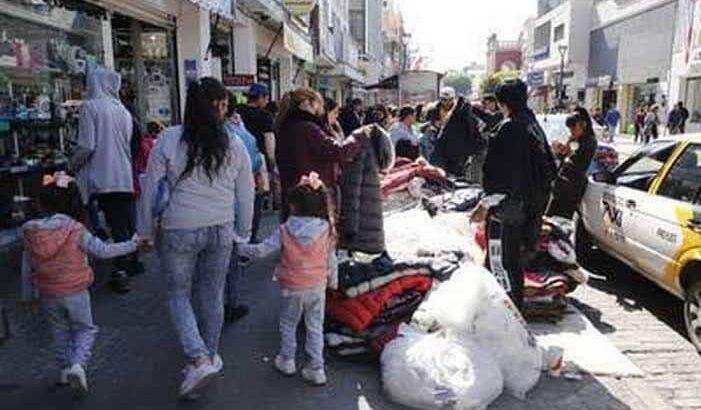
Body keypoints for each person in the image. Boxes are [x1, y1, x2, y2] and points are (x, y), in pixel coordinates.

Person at [139, 77, 254, 399]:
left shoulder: (169, 138)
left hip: (178, 228)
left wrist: (145, 230)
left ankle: (199, 358)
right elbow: (246, 194)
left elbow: (151, 188)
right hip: (220, 228)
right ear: (218, 107)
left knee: (178, 294)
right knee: (212, 295)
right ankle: (209, 356)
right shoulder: (235, 144)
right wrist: (241, 233)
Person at [20, 172, 142, 396]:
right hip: (76, 291)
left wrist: (28, 297)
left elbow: (27, 269)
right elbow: (103, 251)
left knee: (59, 332)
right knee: (85, 329)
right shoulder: (75, 230)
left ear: (42, 204)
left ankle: (65, 371)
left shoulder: (31, 233)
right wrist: (132, 245)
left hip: (48, 292)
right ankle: (78, 365)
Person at [239, 173, 337, 386]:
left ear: (294, 206)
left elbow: (262, 250)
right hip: (317, 285)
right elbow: (332, 259)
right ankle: (316, 367)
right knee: (314, 325)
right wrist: (333, 282)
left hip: (291, 285)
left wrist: (239, 247)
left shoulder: (285, 230)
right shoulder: (327, 229)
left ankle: (287, 359)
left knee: (288, 323)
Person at [480, 79, 556, 310]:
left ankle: (511, 311)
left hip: (513, 206)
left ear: (504, 103)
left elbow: (499, 172)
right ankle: (512, 307)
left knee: (506, 261)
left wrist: (485, 203)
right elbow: (549, 168)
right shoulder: (533, 125)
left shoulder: (511, 127)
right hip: (533, 204)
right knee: (515, 261)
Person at [70, 67, 137, 294]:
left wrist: (71, 165)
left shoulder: (90, 107)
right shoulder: (123, 111)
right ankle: (123, 268)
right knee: (121, 227)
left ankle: (94, 269)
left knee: (89, 222)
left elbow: (87, 145)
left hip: (98, 177)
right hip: (122, 176)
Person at [275, 88, 368, 221]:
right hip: (313, 197)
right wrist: (359, 135)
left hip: (293, 195)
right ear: (306, 103)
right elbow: (338, 151)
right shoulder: (307, 128)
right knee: (315, 238)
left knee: (294, 236)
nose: (319, 109)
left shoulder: (285, 126)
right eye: (317, 104)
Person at [223, 96, 265, 324]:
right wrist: (245, 233)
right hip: (229, 207)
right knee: (228, 259)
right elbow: (255, 163)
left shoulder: (179, 136)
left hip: (196, 214)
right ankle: (231, 302)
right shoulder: (239, 135)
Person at [339, 125, 395, 255]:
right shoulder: (373, 151)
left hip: (359, 234)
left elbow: (352, 192)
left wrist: (348, 228)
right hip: (371, 232)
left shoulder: (359, 148)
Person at [547, 108, 598, 219]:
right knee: (549, 218)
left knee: (561, 220)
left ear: (583, 125)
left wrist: (567, 151)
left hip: (572, 187)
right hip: (561, 184)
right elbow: (563, 158)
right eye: (570, 129)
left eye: (574, 128)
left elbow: (576, 162)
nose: (571, 132)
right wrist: (560, 151)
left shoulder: (589, 141)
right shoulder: (574, 139)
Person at [239, 83, 276, 174]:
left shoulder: (239, 112)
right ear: (260, 97)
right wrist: (271, 162)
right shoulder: (265, 116)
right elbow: (269, 141)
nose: (267, 102)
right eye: (266, 98)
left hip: (240, 159)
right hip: (259, 162)